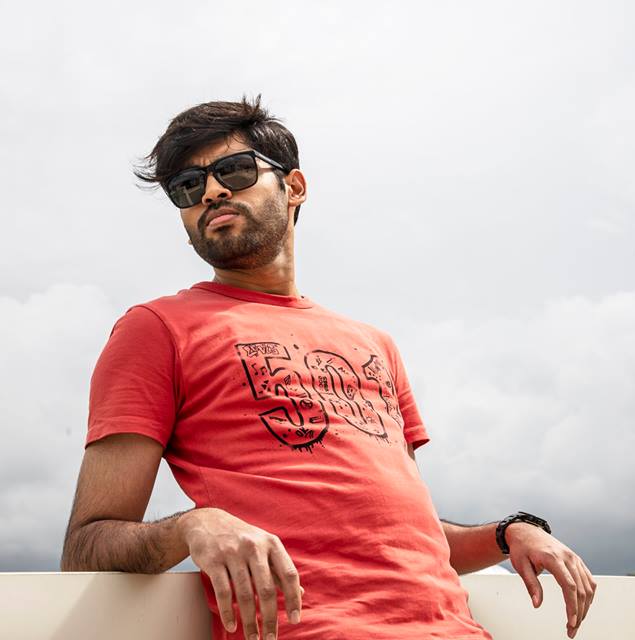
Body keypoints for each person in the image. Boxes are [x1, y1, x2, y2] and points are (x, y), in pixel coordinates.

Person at [60, 96, 596, 640]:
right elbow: (86, 545)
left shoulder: (375, 344)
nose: (213, 192)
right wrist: (193, 526)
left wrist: (509, 533)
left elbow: (405, 539)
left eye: (234, 170)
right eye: (188, 187)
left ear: (294, 186)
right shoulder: (156, 329)